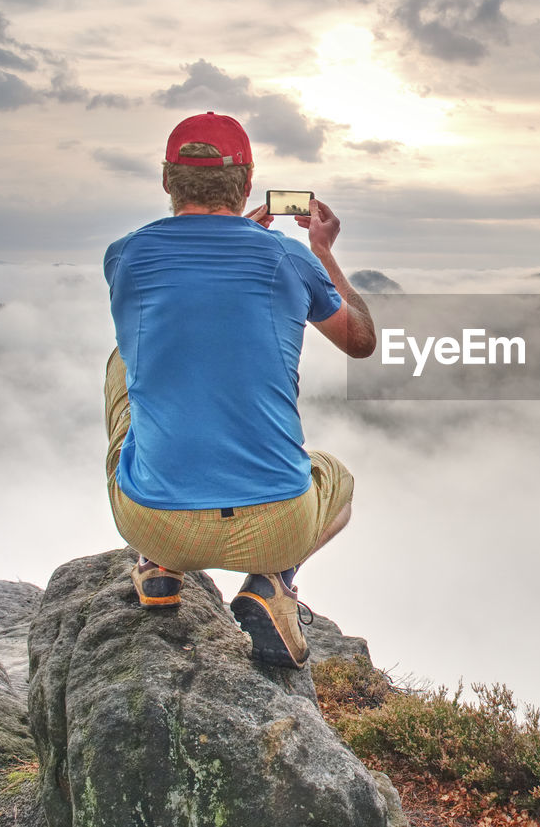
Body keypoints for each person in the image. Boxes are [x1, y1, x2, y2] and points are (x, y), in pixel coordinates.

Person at [102, 111, 376, 669]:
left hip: (155, 518)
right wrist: (320, 252)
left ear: (166, 180)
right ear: (248, 181)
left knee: (121, 367)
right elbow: (361, 341)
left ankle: (158, 566)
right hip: (275, 526)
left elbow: (190, 309)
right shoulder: (289, 257)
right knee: (338, 480)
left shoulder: (125, 255)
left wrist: (240, 235)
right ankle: (272, 583)